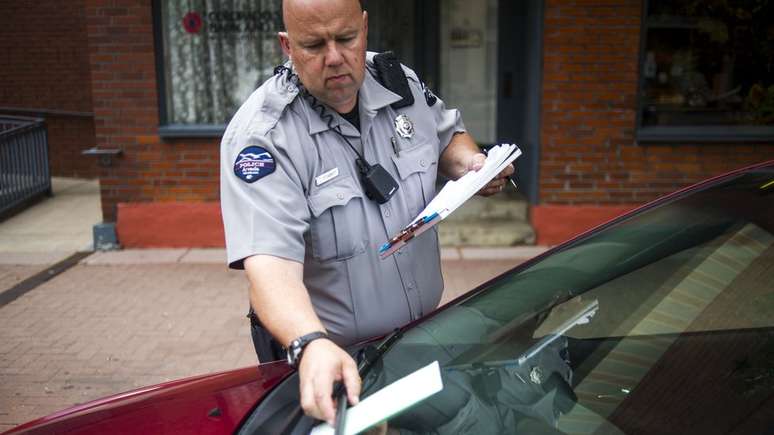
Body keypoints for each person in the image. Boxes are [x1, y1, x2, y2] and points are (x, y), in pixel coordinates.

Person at [219, 0, 515, 425]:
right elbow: (269, 268)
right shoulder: (264, 137)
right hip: (334, 361)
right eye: (314, 44)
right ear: (287, 46)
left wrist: (473, 166)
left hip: (421, 338)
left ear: (365, 27)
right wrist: (310, 344)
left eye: (345, 38)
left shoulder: (400, 83)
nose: (335, 57)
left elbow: (448, 137)